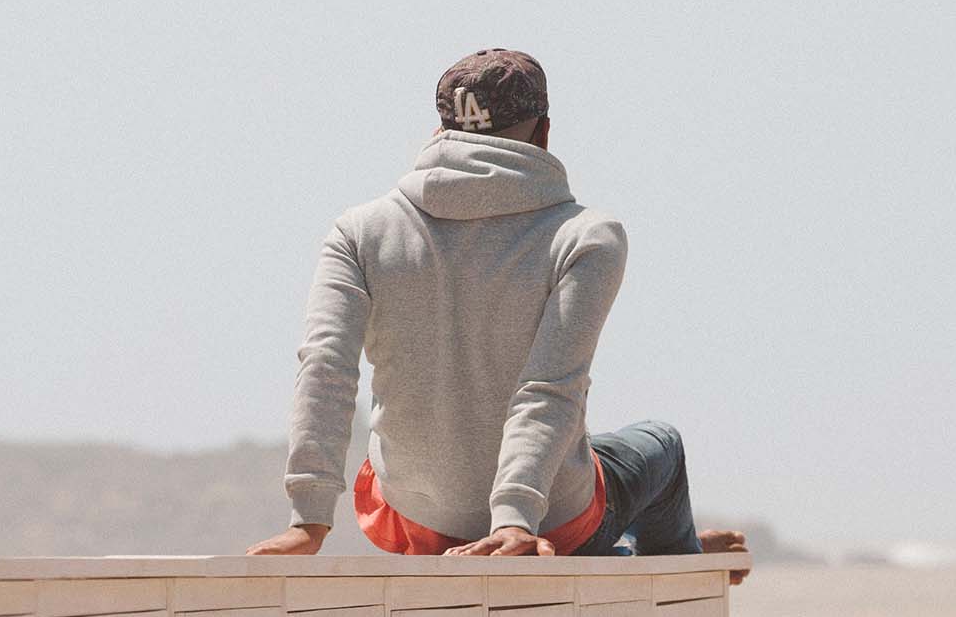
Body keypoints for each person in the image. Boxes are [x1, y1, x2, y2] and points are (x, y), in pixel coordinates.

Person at [248, 48, 747, 574]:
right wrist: (513, 519)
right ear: (544, 133)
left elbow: (325, 367)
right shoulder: (586, 235)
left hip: (411, 519)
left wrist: (308, 520)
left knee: (583, 452)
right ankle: (679, 564)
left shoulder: (359, 231)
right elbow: (550, 388)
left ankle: (635, 549)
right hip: (548, 519)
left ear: (442, 132)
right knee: (660, 445)